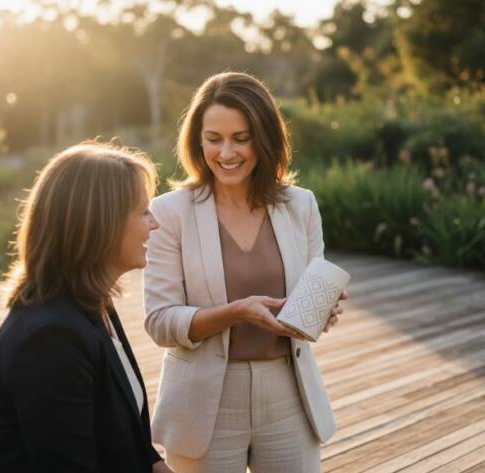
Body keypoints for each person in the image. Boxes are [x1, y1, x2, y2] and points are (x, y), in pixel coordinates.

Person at [143, 72, 347, 473]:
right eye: (213, 138)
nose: (226, 152)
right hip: (204, 404)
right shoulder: (169, 214)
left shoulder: (300, 205)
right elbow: (159, 322)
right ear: (196, 140)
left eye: (241, 137)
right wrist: (236, 313)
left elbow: (308, 303)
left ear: (265, 138)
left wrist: (321, 312)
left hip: (288, 394)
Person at [0, 141, 174, 473]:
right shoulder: (50, 339)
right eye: (143, 211)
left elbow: (131, 440)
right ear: (100, 224)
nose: (155, 223)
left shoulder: (96, 304)